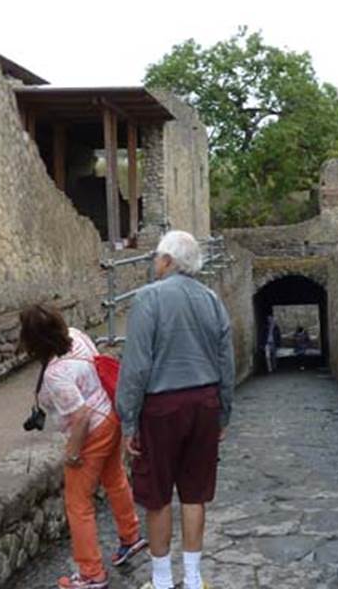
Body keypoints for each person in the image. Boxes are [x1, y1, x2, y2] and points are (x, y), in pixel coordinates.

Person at [117, 231, 235, 589]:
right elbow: (225, 361)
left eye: (157, 257)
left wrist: (127, 419)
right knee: (195, 493)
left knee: (157, 495)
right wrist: (223, 414)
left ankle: (163, 581)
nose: (154, 263)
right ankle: (195, 579)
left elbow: (136, 365)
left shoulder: (148, 299)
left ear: (168, 261)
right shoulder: (212, 300)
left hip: (161, 407)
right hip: (204, 403)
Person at [19, 304, 147, 589]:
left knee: (78, 504)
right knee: (114, 478)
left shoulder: (55, 373)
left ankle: (91, 573)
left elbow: (81, 416)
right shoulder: (76, 335)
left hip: (93, 430)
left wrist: (73, 453)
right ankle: (131, 535)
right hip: (111, 414)